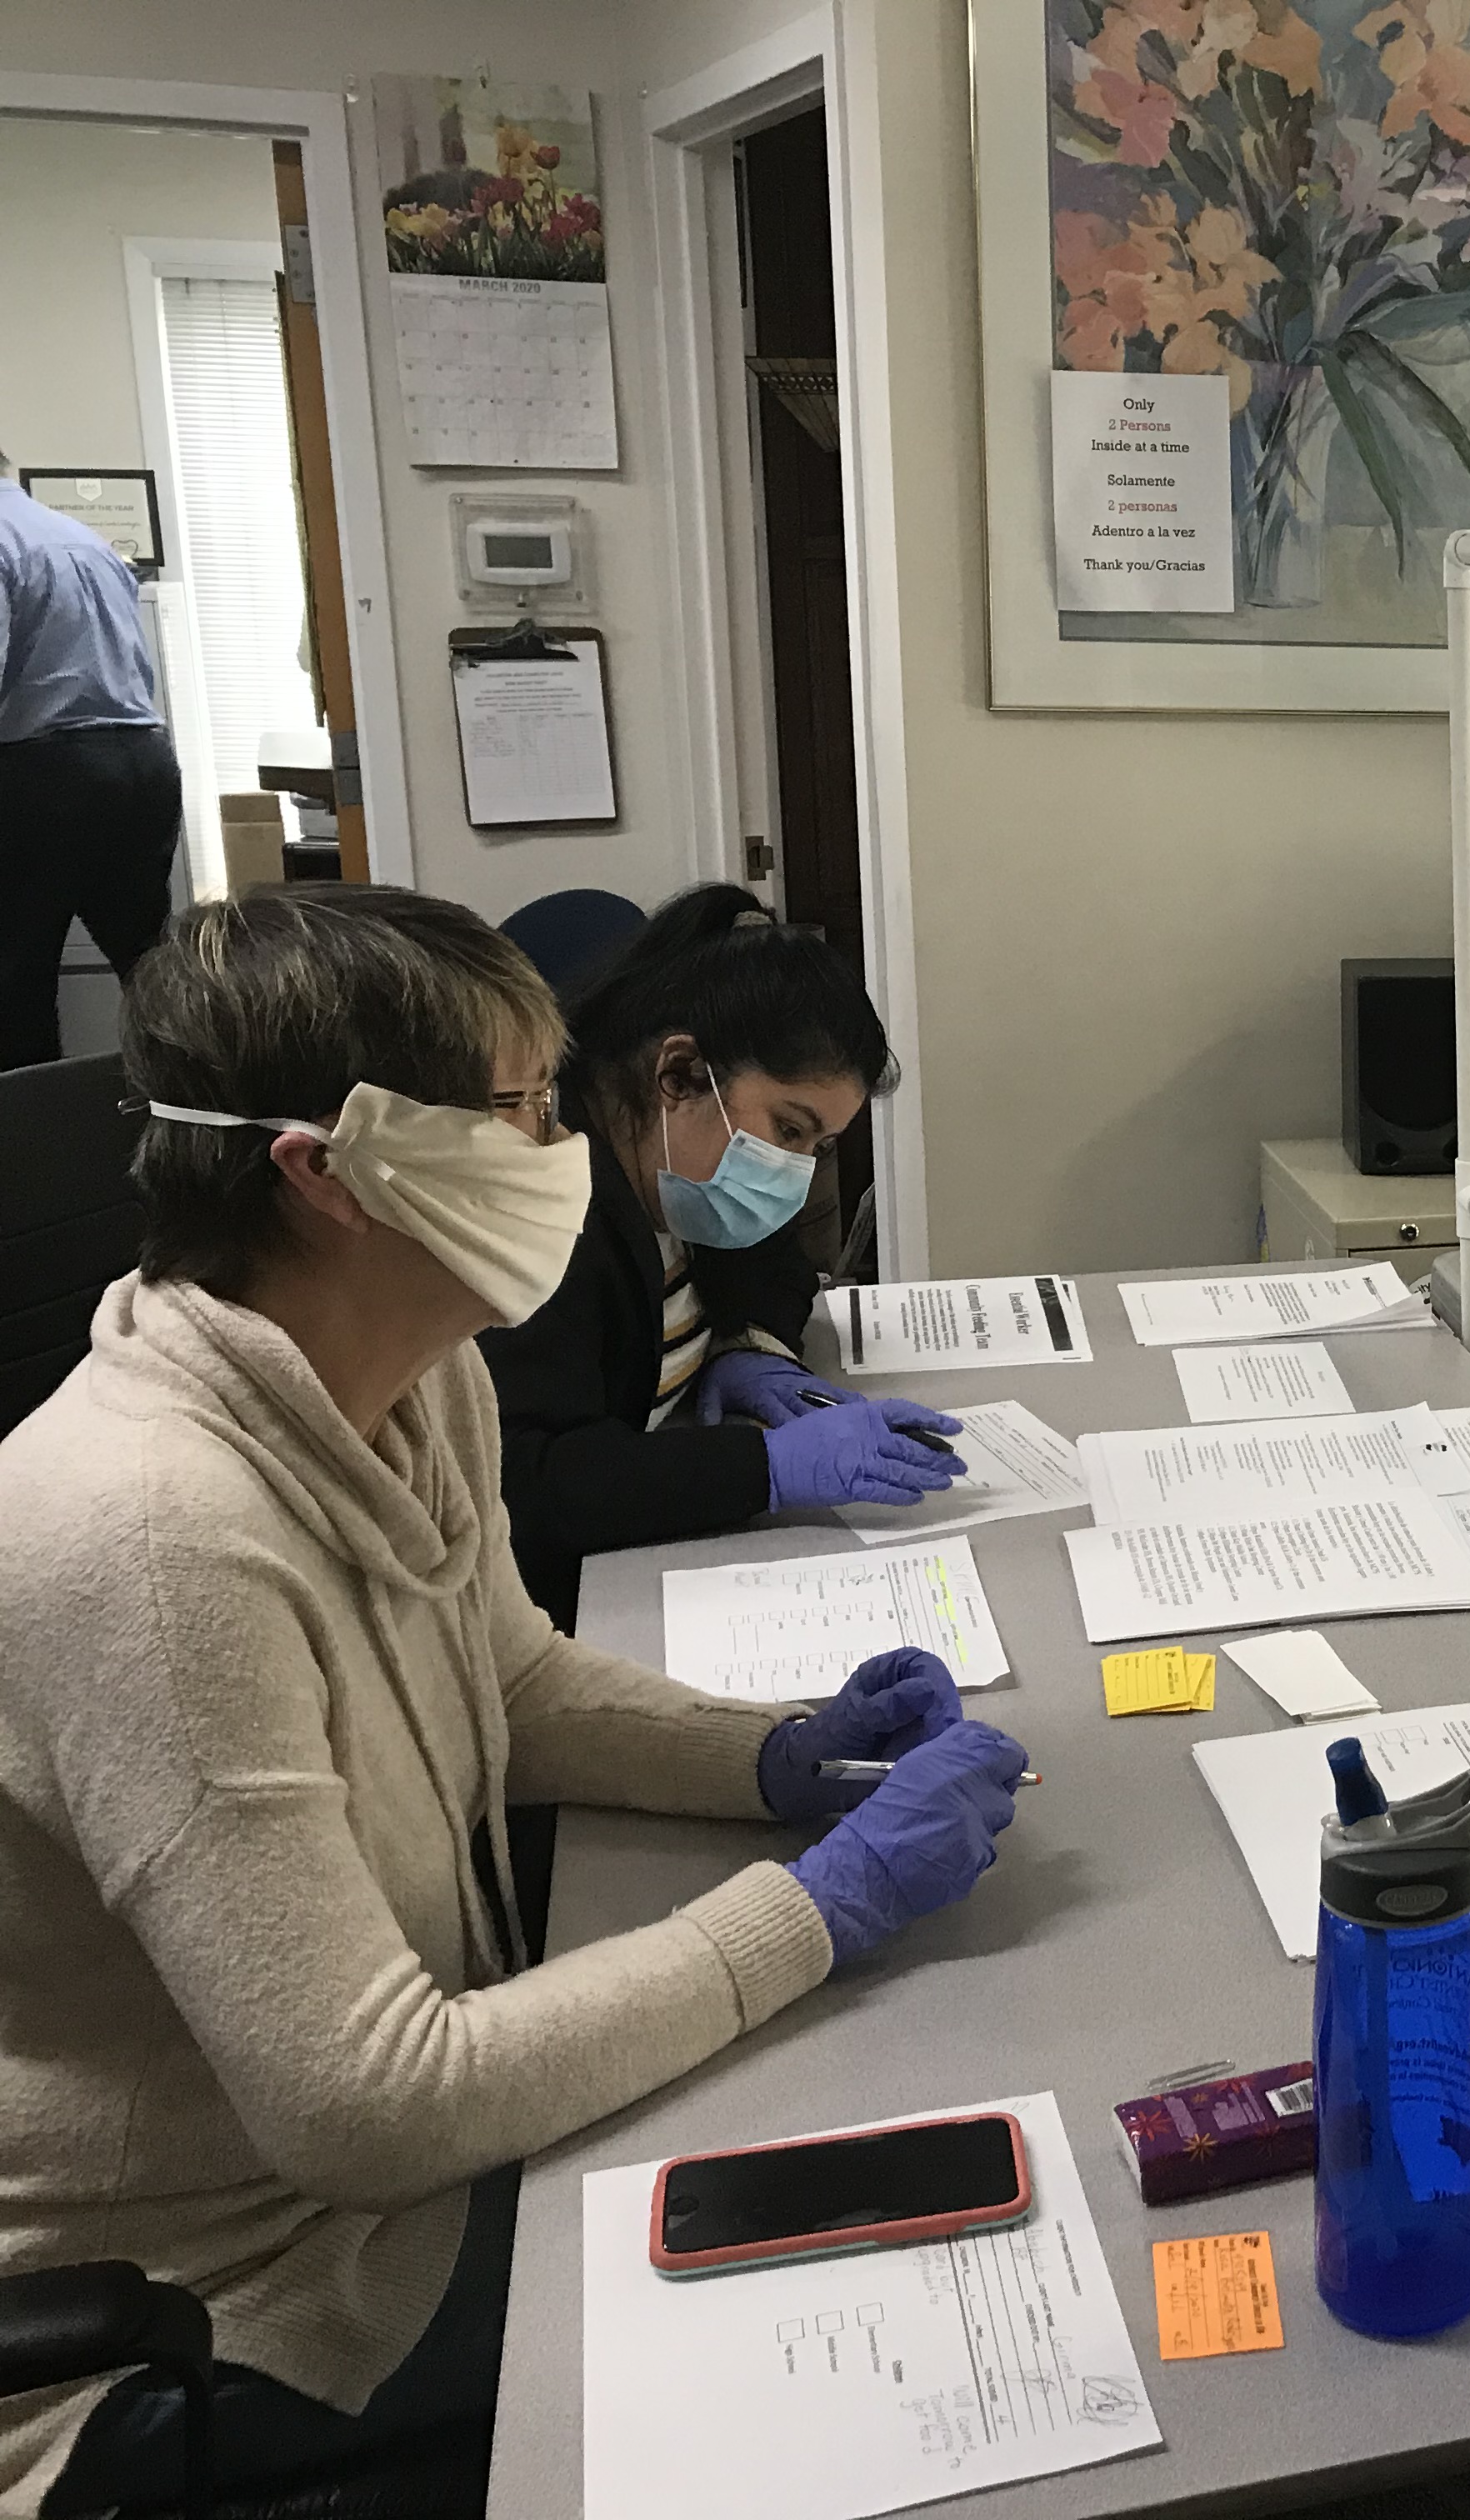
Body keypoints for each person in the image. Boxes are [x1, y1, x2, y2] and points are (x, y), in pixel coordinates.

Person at [0, 886, 1030, 2515]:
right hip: (225, 2301)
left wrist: (772, 1755)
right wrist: (817, 1908)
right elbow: (371, 2105)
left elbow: (518, 1680)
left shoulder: (424, 1379)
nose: (568, 1151)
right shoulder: (149, 1541)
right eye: (527, 1111)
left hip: (408, 2158)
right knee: (876, 2332)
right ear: (328, 1172)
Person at [480, 884, 960, 1628]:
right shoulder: (546, 1205)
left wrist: (750, 1345)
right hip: (556, 1605)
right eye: (790, 1129)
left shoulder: (678, 1160)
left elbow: (775, 1264)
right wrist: (765, 1469)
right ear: (679, 1074)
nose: (795, 1171)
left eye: (820, 1146)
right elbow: (529, 1483)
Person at [0, 451, 183, 1071]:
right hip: (142, 762)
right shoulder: (84, 538)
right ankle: (202, 1104)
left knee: (16, 977)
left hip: (46, 775)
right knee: (153, 965)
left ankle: (31, 1125)